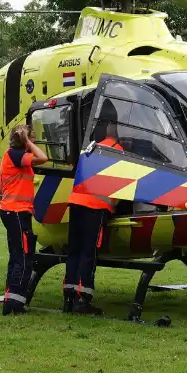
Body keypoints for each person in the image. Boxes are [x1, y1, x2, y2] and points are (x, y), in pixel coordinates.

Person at [63, 101, 124, 315]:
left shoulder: (91, 147)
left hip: (76, 204)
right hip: (95, 207)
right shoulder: (118, 151)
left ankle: (69, 297)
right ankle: (82, 299)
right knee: (89, 253)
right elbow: (123, 185)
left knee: (75, 251)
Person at [0, 124, 49, 315]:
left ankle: (10, 300)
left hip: (12, 212)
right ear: (24, 141)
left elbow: (0, 186)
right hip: (17, 212)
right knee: (24, 257)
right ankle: (15, 304)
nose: (34, 142)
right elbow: (43, 158)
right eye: (32, 139)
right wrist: (28, 142)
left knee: (17, 256)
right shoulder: (17, 156)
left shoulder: (10, 156)